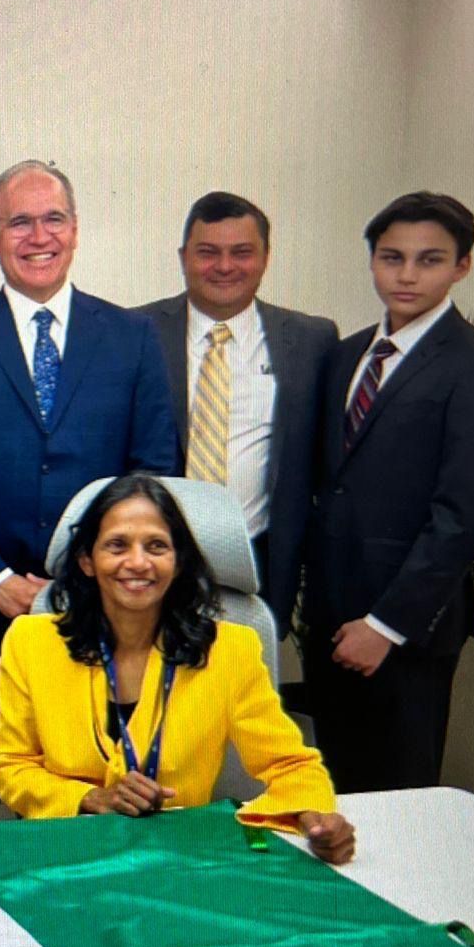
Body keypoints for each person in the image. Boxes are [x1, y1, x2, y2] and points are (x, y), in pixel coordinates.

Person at [0, 159, 178, 819]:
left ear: (75, 229)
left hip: (100, 610)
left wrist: (89, 574)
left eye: (53, 219)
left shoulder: (132, 338)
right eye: (19, 222)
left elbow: (151, 470)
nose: (39, 236)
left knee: (91, 793)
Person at [0, 474, 355, 864]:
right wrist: (90, 797)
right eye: (117, 545)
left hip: (181, 860)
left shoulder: (230, 650)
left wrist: (315, 819)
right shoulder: (31, 641)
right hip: (65, 854)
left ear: (178, 562)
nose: (138, 562)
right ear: (87, 561)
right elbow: (9, 764)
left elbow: (290, 763)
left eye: (157, 546)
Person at [303, 192, 474, 793]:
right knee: (334, 796)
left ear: (461, 267)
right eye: (392, 258)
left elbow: (463, 515)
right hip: (329, 619)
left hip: (406, 632)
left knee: (401, 799)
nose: (407, 275)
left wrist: (385, 625)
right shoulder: (345, 356)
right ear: (373, 261)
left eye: (430, 260)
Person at [136, 192, 338, 637]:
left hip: (260, 561)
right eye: (208, 252)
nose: (224, 266)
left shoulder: (312, 341)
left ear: (265, 258)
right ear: (183, 258)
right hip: (154, 561)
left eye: (241, 252)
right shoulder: (134, 331)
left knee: (247, 677)